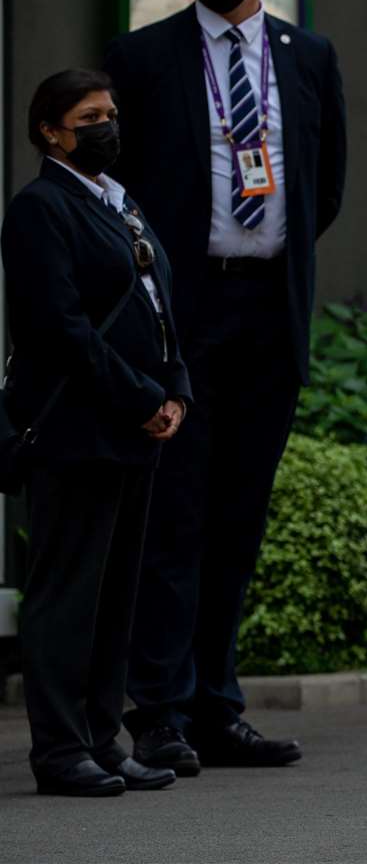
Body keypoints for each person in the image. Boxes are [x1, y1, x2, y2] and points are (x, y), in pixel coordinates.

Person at [103, 0, 347, 775]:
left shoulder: (308, 56)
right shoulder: (140, 58)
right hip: (181, 316)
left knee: (238, 521)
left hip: (268, 315)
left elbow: (324, 191)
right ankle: (157, 712)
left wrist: (259, 251)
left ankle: (217, 707)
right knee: (174, 518)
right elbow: (119, 189)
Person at [4, 70, 192, 796]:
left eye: (111, 113)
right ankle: (58, 750)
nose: (107, 126)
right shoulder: (39, 209)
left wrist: (175, 391)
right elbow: (58, 328)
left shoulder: (120, 203)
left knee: (116, 596)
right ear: (51, 130)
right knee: (67, 596)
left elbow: (159, 301)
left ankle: (102, 740)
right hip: (76, 431)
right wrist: (141, 396)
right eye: (90, 116)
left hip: (135, 432)